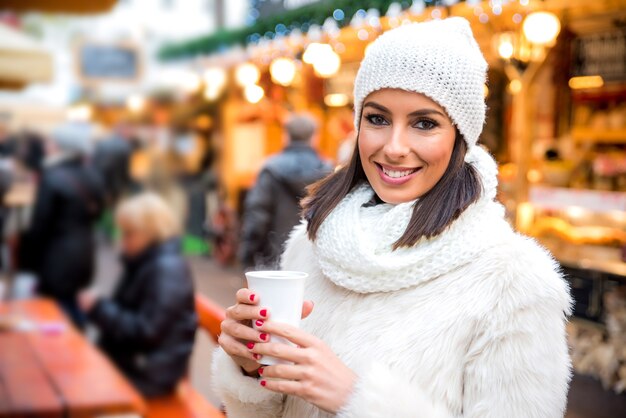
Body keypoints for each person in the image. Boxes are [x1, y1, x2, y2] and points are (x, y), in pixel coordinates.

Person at [212, 18, 572, 418]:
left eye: (424, 123)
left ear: (460, 137)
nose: (395, 147)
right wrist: (250, 368)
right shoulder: (314, 243)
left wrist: (357, 399)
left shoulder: (512, 281)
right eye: (378, 119)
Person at [78, 192, 197, 397]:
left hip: (148, 374)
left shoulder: (166, 269)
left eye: (128, 233)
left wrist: (98, 307)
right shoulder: (148, 260)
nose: (122, 241)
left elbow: (146, 332)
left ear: (151, 232)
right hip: (139, 364)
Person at [24, 123, 105, 328]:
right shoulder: (92, 174)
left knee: (54, 314)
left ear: (62, 146)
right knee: (75, 307)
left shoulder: (52, 176)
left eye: (51, 141)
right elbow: (98, 213)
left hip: (56, 256)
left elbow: (40, 224)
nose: (47, 145)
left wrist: (29, 260)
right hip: (85, 250)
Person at [238, 113, 331, 269]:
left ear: (286, 136)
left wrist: (248, 255)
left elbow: (257, 217)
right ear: (315, 137)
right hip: (314, 263)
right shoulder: (327, 171)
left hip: (274, 260)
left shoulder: (270, 169)